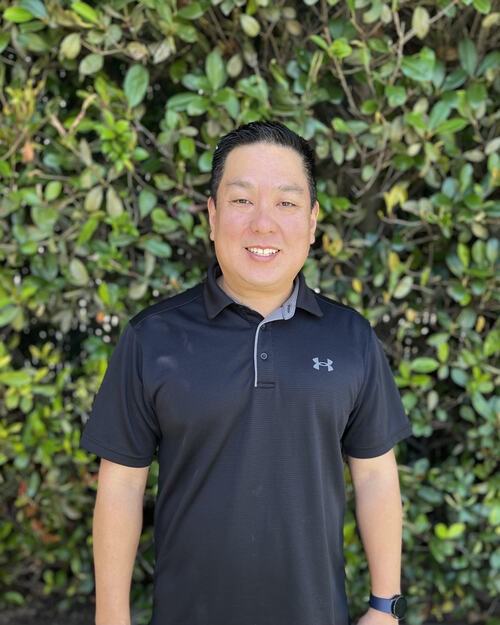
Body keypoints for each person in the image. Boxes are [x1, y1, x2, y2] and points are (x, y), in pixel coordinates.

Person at [81, 121, 412, 625]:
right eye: (241, 200)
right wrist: (111, 617)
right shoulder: (153, 337)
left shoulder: (351, 338)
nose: (263, 224)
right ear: (212, 216)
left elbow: (375, 477)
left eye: (286, 203)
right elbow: (122, 486)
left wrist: (385, 606)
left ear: (312, 222)